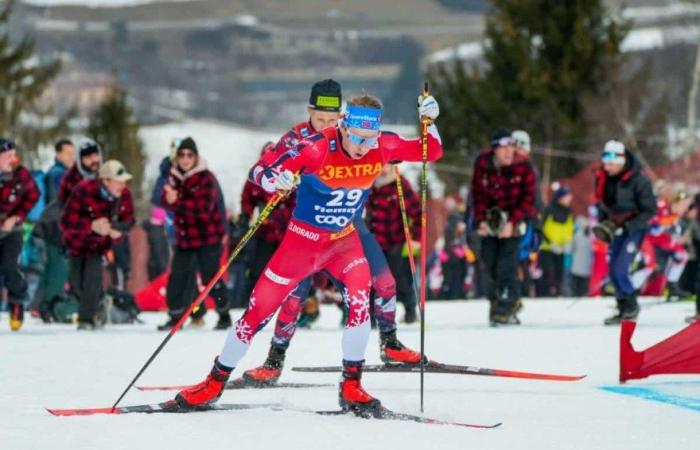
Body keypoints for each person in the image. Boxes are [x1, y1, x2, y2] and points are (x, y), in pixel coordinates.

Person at [174, 92, 442, 413]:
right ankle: (214, 382)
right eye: (356, 137)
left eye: (369, 140)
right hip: (302, 244)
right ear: (343, 127)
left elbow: (432, 150)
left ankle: (352, 385)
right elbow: (258, 171)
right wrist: (275, 179)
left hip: (343, 242)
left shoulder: (383, 145)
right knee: (255, 315)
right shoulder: (316, 147)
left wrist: (431, 122)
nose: (361, 147)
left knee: (360, 302)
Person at [239, 83, 429, 386]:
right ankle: (274, 360)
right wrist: (274, 177)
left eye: (332, 120)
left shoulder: (352, 136)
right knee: (294, 295)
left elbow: (385, 150)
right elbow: (265, 166)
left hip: (350, 226)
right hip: (307, 231)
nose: (326, 126)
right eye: (320, 119)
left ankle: (390, 343)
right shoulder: (298, 139)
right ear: (309, 113)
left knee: (385, 281)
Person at [159, 137, 232, 330]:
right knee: (177, 277)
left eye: (189, 154)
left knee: (211, 278)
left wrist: (176, 201)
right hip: (185, 238)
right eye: (181, 155)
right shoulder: (173, 177)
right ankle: (176, 317)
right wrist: (170, 200)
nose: (185, 158)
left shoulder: (206, 177)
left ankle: (224, 314)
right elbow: (163, 201)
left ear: (195, 156)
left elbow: (202, 209)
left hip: (208, 237)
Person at [471, 128, 536, 325]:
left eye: (511, 147)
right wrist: (482, 220)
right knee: (489, 265)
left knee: (506, 266)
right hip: (490, 221)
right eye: (504, 147)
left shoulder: (524, 166)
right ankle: (497, 303)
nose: (509, 152)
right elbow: (477, 195)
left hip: (514, 222)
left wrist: (512, 222)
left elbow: (529, 200)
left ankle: (507, 304)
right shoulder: (483, 163)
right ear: (494, 150)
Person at [60, 160, 135, 330]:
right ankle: (100, 301)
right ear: (106, 180)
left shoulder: (124, 195)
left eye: (124, 181)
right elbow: (66, 221)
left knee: (92, 278)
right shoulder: (83, 191)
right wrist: (91, 226)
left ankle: (86, 319)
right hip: (77, 244)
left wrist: (118, 231)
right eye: (119, 180)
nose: (123, 185)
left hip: (100, 246)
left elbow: (129, 221)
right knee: (76, 284)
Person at [593, 140, 655, 325]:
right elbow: (601, 203)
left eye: (611, 162)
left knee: (620, 269)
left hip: (633, 229)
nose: (607, 166)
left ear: (621, 160)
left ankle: (631, 306)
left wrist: (629, 226)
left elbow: (649, 210)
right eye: (605, 161)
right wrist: (605, 222)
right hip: (615, 228)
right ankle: (623, 309)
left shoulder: (638, 179)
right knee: (613, 271)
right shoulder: (603, 177)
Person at [365, 165, 420, 320]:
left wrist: (416, 238)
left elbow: (418, 213)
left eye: (386, 164)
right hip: (373, 241)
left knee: (398, 278)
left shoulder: (400, 184)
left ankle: (410, 310)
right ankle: (372, 315)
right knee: (372, 279)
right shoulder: (368, 182)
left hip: (394, 241)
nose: (383, 168)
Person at [0, 138, 40, 330]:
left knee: (10, 267)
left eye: (13, 154)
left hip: (12, 230)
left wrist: (16, 216)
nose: (12, 158)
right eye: (7, 155)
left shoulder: (21, 174)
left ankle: (16, 301)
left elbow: (34, 195)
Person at [538, 184, 574, 297]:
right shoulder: (549, 210)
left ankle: (558, 292)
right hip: (547, 248)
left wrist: (567, 242)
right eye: (567, 196)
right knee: (547, 272)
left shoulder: (569, 212)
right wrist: (550, 242)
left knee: (560, 273)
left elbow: (569, 229)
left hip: (561, 248)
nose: (569, 199)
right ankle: (544, 294)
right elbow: (541, 228)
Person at [58, 139, 102, 204]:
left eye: (96, 155)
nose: (94, 160)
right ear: (80, 160)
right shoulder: (71, 180)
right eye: (88, 157)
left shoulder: (106, 175)